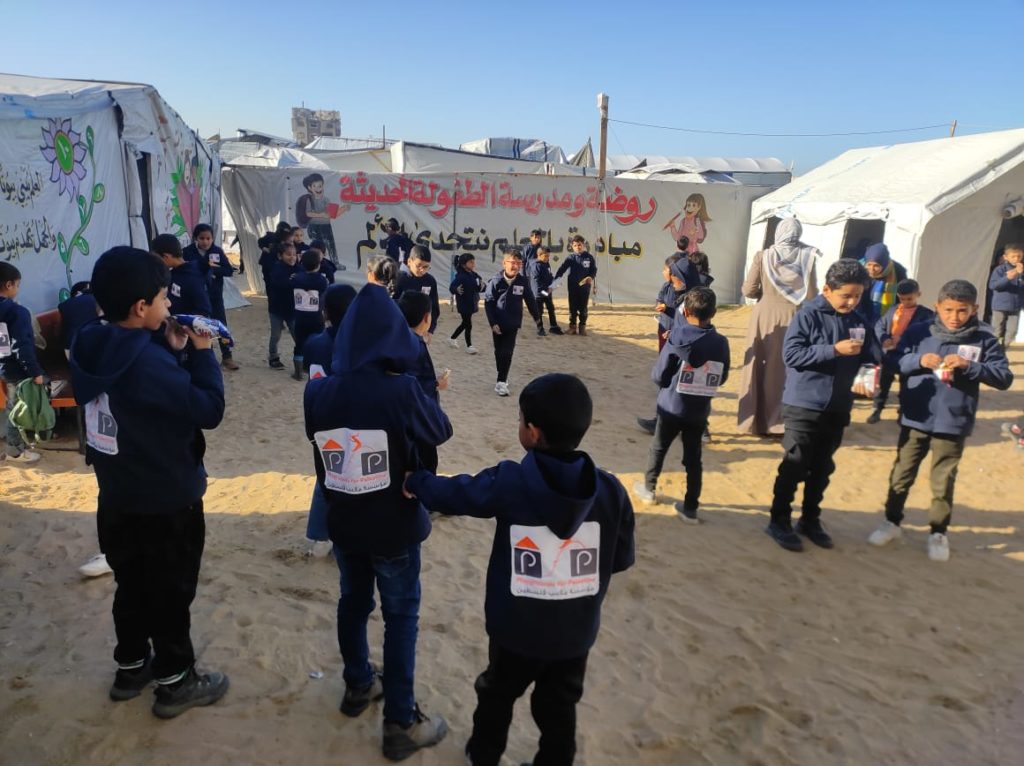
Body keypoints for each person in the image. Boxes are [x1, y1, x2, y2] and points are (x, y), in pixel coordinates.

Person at [405, 373, 636, 766]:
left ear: (532, 432)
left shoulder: (510, 481)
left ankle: (483, 756)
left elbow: (459, 493)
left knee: (497, 694)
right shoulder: (611, 490)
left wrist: (418, 482)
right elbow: (619, 560)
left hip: (515, 631)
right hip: (574, 635)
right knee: (560, 705)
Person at [69, 246, 228, 718]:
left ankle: (131, 666)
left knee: (132, 585)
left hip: (117, 496)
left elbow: (135, 382)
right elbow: (208, 410)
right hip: (166, 500)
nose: (169, 305)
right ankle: (176, 681)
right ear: (141, 307)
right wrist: (202, 355)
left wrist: (166, 348)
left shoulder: (89, 341)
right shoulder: (145, 363)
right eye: (162, 298)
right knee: (170, 591)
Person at [303, 281, 452, 761]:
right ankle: (400, 721)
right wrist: (417, 372)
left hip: (345, 520)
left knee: (352, 601)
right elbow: (440, 430)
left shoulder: (317, 391)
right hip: (394, 525)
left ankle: (358, 684)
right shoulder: (402, 389)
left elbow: (324, 446)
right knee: (400, 616)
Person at [867, 279, 1012, 561]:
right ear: (937, 307)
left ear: (974, 309)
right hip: (916, 416)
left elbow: (1003, 377)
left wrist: (971, 366)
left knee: (943, 480)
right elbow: (893, 361)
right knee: (902, 473)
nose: (954, 317)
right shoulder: (918, 332)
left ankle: (938, 532)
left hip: (953, 421)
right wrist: (918, 361)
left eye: (962, 311)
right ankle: (891, 521)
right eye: (948, 310)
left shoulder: (984, 339)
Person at [765, 259, 881, 552]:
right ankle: (779, 520)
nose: (852, 301)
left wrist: (870, 370)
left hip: (838, 406)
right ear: (827, 290)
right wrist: (833, 350)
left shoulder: (859, 321)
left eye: (858, 296)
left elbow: (871, 356)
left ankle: (810, 519)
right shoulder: (807, 316)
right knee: (795, 463)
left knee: (822, 467)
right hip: (804, 404)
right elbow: (792, 355)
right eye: (846, 295)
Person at [633, 287, 730, 523]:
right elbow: (722, 376)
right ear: (714, 313)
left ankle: (649, 489)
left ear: (685, 312)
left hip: (671, 406)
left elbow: (659, 374)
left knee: (658, 448)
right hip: (699, 411)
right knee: (693, 458)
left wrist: (667, 384)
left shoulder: (677, 336)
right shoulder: (721, 343)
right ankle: (690, 507)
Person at [736, 218, 820, 437]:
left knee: (758, 365)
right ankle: (778, 423)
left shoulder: (764, 256)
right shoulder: (808, 257)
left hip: (764, 317)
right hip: (794, 316)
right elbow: (812, 294)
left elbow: (748, 290)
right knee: (783, 370)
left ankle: (754, 422)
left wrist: (764, 293)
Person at [300, 284, 357, 558]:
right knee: (348, 482)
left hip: (320, 421)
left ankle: (317, 536)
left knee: (325, 478)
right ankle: (339, 538)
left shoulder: (314, 343)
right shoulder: (357, 346)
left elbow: (311, 380)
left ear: (325, 313)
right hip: (349, 421)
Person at [866, 279, 934, 424]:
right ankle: (877, 409)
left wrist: (904, 341)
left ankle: (903, 412)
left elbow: (928, 335)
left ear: (918, 295)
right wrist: (884, 338)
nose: (905, 302)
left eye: (909, 299)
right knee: (883, 385)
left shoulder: (926, 315)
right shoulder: (893, 310)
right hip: (890, 354)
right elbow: (879, 325)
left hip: (909, 355)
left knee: (906, 386)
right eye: (902, 299)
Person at [398, 291, 450, 473]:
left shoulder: (397, 339)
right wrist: (436, 384)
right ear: (427, 318)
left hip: (399, 420)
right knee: (424, 466)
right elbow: (411, 384)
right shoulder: (415, 346)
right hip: (417, 419)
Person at [0, 262, 44, 463]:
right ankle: (15, 451)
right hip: (17, 368)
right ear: (9, 284)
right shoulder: (17, 312)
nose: (18, 289)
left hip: (3, 366)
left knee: (13, 405)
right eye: (17, 285)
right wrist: (35, 372)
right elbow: (22, 346)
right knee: (16, 409)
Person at [484, 248, 540, 397]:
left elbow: (530, 299)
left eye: (519, 263)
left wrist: (536, 317)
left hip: (513, 323)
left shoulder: (522, 281)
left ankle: (501, 382)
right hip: (498, 323)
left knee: (507, 352)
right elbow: (489, 303)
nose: (515, 266)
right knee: (498, 352)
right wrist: (492, 323)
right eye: (513, 262)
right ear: (504, 263)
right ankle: (502, 375)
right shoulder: (496, 281)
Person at [183, 224, 238, 371]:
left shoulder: (217, 251)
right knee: (199, 326)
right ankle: (205, 357)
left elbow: (228, 270)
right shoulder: (188, 252)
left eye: (208, 238)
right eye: (202, 238)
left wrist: (212, 269)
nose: (205, 242)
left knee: (220, 325)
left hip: (215, 296)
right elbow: (183, 269)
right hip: (196, 297)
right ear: (196, 238)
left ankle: (227, 356)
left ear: (212, 238)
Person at [291, 249, 330, 381]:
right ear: (318, 264)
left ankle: (298, 373)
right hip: (316, 317)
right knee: (318, 343)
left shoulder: (296, 278)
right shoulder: (322, 280)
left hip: (300, 317)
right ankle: (315, 371)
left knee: (299, 344)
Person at [152, 234, 212, 318]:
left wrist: (178, 320)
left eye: (157, 258)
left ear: (166, 257)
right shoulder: (173, 272)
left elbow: (204, 311)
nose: (155, 262)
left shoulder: (194, 277)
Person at [295, 173, 345, 266]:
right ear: (309, 188)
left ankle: (335, 263)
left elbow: (332, 214)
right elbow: (308, 213)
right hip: (313, 226)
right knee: (317, 246)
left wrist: (343, 209)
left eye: (320, 186)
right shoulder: (309, 199)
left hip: (326, 225)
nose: (318, 189)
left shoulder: (326, 199)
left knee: (330, 244)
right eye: (315, 186)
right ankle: (317, 262)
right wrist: (320, 214)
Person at [393, 245, 440, 340]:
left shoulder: (430, 281)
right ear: (409, 261)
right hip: (399, 328)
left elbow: (434, 307)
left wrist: (430, 330)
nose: (422, 270)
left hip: (420, 331)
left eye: (426, 267)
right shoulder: (398, 279)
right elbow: (390, 304)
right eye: (418, 265)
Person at [554, 235, 597, 336]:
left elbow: (593, 269)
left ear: (583, 245)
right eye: (575, 245)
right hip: (572, 286)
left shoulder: (589, 257)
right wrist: (556, 278)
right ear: (572, 247)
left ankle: (582, 328)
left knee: (583, 308)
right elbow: (562, 268)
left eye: (579, 245)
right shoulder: (570, 258)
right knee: (572, 307)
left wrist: (591, 277)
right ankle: (572, 328)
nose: (578, 247)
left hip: (584, 287)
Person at [266, 242, 299, 371]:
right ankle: (273, 358)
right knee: (276, 335)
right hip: (276, 309)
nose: (292, 257)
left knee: (297, 334)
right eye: (288, 254)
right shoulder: (277, 269)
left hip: (292, 309)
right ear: (280, 256)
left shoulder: (299, 268)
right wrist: (295, 281)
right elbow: (282, 284)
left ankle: (302, 358)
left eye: (294, 254)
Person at [857, 243, 908, 325]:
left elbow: (902, 297)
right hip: (860, 313)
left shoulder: (898, 272)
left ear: (884, 264)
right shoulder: (858, 269)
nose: (871, 269)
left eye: (876, 266)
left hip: (884, 318)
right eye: (869, 265)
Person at [987, 243, 1024, 348]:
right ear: (1006, 257)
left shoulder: (1022, 270)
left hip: (1015, 306)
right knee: (997, 330)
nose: (1016, 259)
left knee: (1012, 331)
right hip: (1000, 305)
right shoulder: (1000, 269)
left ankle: (1006, 350)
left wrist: (1021, 275)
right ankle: (994, 350)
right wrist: (1007, 278)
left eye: (1019, 256)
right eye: (1013, 256)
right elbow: (993, 285)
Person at [448, 252, 485, 354]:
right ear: (464, 264)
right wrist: (456, 289)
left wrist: (482, 286)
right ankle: (469, 346)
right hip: (464, 304)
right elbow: (452, 287)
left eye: (474, 262)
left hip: (472, 303)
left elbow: (479, 284)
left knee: (465, 323)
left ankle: (452, 338)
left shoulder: (474, 274)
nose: (473, 264)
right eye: (471, 262)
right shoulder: (461, 276)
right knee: (468, 324)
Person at [525, 245, 563, 336]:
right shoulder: (536, 266)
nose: (547, 258)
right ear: (539, 255)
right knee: (539, 311)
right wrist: (546, 291)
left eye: (548, 256)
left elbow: (549, 275)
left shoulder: (546, 263)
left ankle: (553, 327)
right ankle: (540, 328)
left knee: (551, 308)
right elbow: (537, 282)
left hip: (547, 291)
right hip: (539, 293)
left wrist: (554, 282)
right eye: (545, 256)